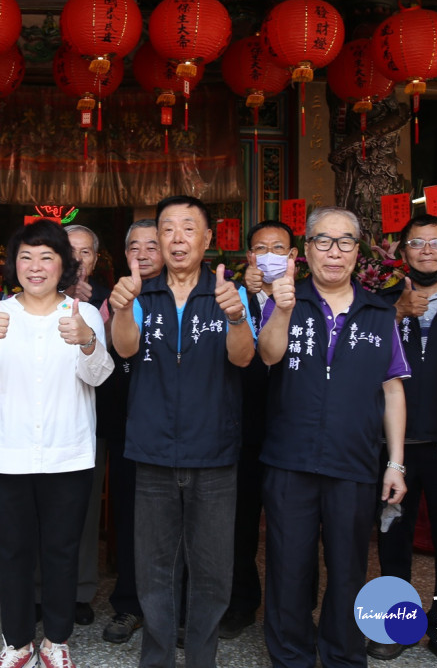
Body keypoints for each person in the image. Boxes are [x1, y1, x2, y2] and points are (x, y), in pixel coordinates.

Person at [259, 205, 408, 668]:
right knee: (288, 568)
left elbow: (393, 389)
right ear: (306, 250)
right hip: (290, 460)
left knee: (347, 572)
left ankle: (343, 656)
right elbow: (267, 354)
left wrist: (396, 462)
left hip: (354, 462)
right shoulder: (284, 300)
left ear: (358, 252)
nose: (334, 251)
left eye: (345, 242)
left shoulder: (379, 312)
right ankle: (290, 658)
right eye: (323, 240)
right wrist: (281, 309)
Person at [110, 195, 257, 668]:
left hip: (213, 453)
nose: (177, 239)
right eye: (167, 229)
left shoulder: (228, 295)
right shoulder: (142, 294)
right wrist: (121, 309)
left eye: (188, 228)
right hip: (151, 451)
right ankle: (155, 660)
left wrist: (235, 315)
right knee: (155, 570)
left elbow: (243, 357)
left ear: (207, 239)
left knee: (212, 572)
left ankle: (200, 659)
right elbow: (126, 350)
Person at [0, 219, 113, 668]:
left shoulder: (83, 314)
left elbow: (99, 376)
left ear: (64, 264)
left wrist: (87, 344)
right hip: (10, 454)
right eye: (26, 256)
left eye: (47, 256)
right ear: (13, 264)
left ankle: (57, 641)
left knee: (62, 550)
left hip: (68, 454)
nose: (35, 266)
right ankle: (17, 641)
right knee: (14, 552)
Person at [374, 214, 437, 668]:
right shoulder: (381, 301)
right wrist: (394, 314)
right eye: (417, 243)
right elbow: (363, 351)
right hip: (396, 444)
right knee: (393, 537)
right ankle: (395, 625)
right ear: (402, 251)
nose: (427, 250)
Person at [220, 220, 298, 640]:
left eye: (279, 248)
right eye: (260, 248)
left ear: (292, 257)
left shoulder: (310, 298)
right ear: (250, 257)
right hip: (246, 428)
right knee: (242, 521)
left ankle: (296, 609)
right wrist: (249, 293)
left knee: (296, 526)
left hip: (296, 428)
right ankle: (241, 601)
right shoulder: (238, 299)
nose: (269, 255)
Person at [100, 219, 161, 645]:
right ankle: (128, 604)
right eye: (134, 246)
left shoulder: (186, 294)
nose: (142, 252)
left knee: (173, 523)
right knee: (128, 516)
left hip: (175, 427)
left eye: (151, 245)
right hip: (126, 424)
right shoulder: (117, 297)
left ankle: (172, 605)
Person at [57, 222, 108, 626]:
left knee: (84, 511)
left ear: (96, 258)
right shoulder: (31, 296)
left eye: (85, 252)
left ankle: (79, 591)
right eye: (69, 250)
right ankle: (40, 591)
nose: (77, 259)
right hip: (43, 421)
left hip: (92, 421)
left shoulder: (111, 298)